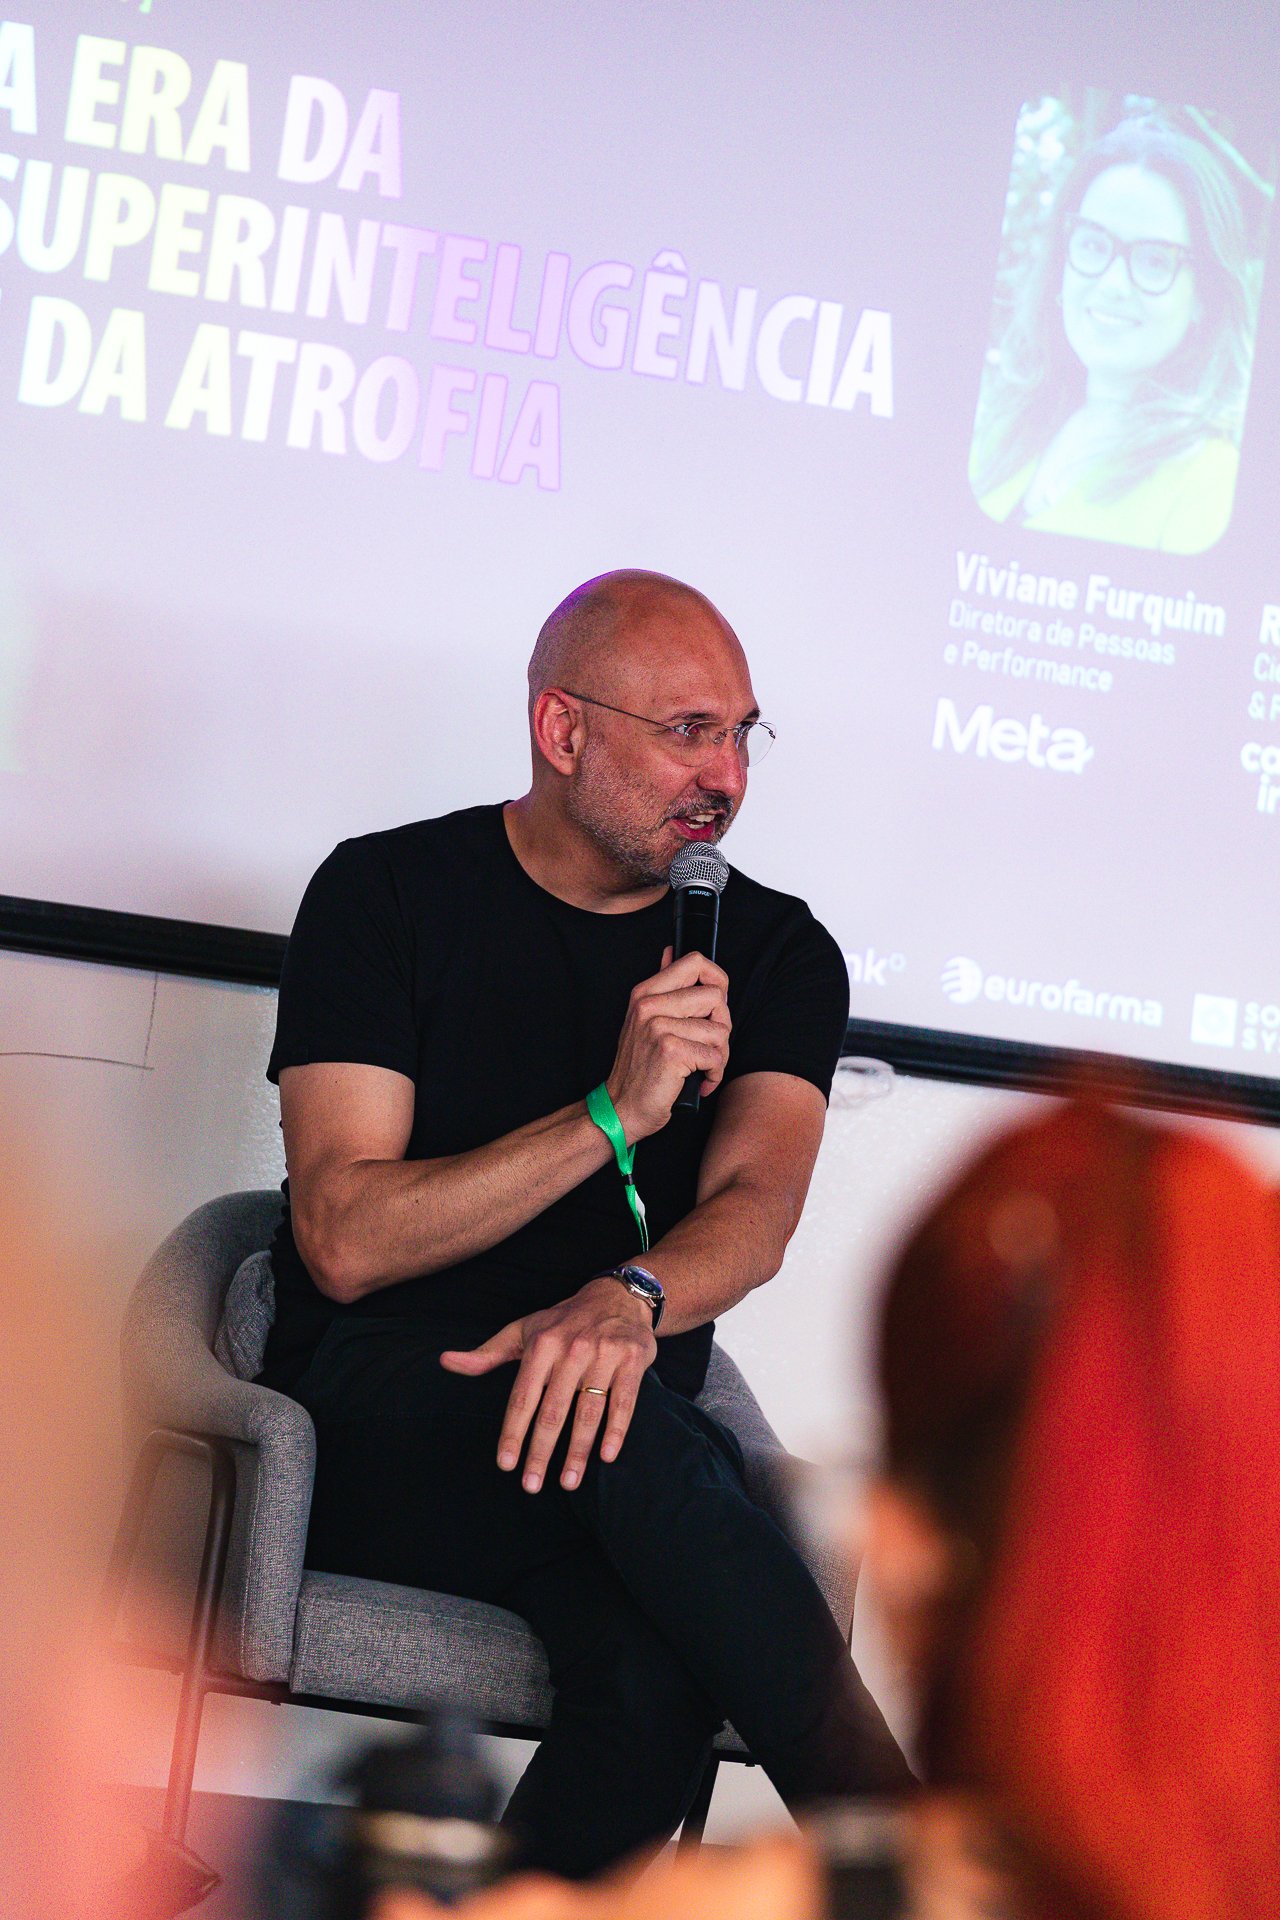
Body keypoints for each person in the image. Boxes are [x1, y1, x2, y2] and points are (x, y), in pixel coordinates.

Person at [258, 568, 911, 1879]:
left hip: (610, 1443)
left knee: (656, 1675)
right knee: (651, 1444)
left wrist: (631, 1299)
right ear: (562, 730)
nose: (725, 775)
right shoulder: (385, 893)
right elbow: (343, 1237)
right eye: (687, 732)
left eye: (742, 733)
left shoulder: (777, 953)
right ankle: (913, 1856)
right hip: (397, 1415)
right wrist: (612, 1114)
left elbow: (756, 1212)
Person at [971, 113, 1261, 553]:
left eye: (1155, 260)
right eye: (1092, 244)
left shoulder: (1213, 483)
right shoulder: (1012, 424)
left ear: (1206, 297)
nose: (1111, 284)